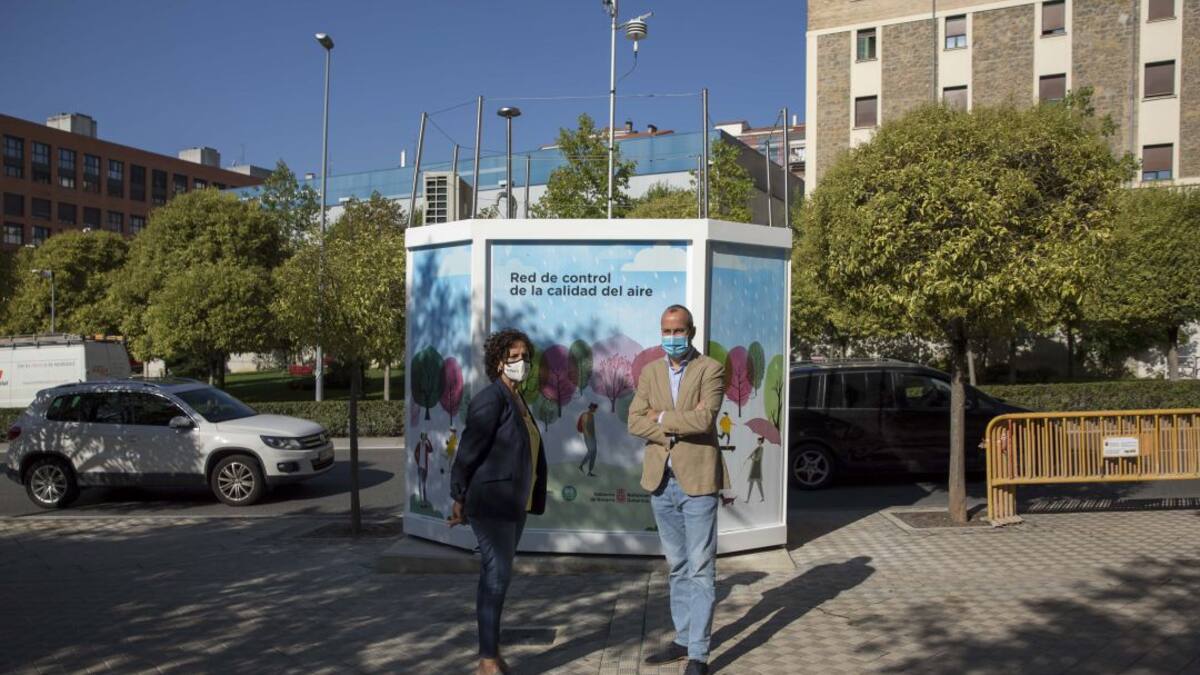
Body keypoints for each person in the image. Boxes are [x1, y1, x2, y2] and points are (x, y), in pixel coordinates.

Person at [628, 304, 730, 675]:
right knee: (678, 566)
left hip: (698, 482)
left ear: (692, 332)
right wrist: (673, 426)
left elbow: (704, 420)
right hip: (661, 482)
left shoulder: (710, 369)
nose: (672, 338)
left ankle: (699, 655)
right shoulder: (651, 372)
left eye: (678, 330)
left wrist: (659, 417)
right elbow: (633, 421)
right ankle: (684, 638)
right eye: (666, 331)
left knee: (701, 568)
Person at [448, 329, 548, 675]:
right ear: (498, 362)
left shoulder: (516, 398)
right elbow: (468, 451)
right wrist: (458, 494)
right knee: (496, 577)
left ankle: (492, 655)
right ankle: (487, 661)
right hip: (492, 504)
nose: (521, 362)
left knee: (498, 578)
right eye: (513, 357)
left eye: (525, 356)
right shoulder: (491, 399)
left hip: (514, 503)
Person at [577, 402, 600, 476]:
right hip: (588, 436)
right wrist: (588, 435)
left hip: (592, 436)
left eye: (595, 408)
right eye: (594, 408)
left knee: (594, 453)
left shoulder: (592, 416)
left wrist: (593, 436)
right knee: (591, 451)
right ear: (591, 408)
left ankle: (589, 471)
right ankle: (582, 466)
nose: (595, 410)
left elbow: (592, 427)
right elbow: (584, 426)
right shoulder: (585, 415)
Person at [414, 432, 433, 504]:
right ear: (421, 437)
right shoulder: (419, 445)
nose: (424, 439)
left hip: (425, 468)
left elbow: (431, 450)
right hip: (420, 467)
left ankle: (424, 501)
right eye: (424, 437)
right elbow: (415, 453)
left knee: (423, 485)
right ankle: (421, 501)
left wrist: (429, 441)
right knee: (420, 484)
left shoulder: (426, 445)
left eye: (425, 438)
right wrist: (418, 462)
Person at [745, 437, 765, 503]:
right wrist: (749, 456)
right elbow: (753, 453)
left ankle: (762, 497)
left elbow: (758, 458)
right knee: (751, 484)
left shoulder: (761, 448)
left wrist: (752, 458)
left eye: (758, 441)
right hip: (754, 467)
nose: (757, 441)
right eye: (757, 441)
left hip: (757, 468)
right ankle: (748, 499)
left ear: (761, 441)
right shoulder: (758, 448)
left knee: (759, 484)